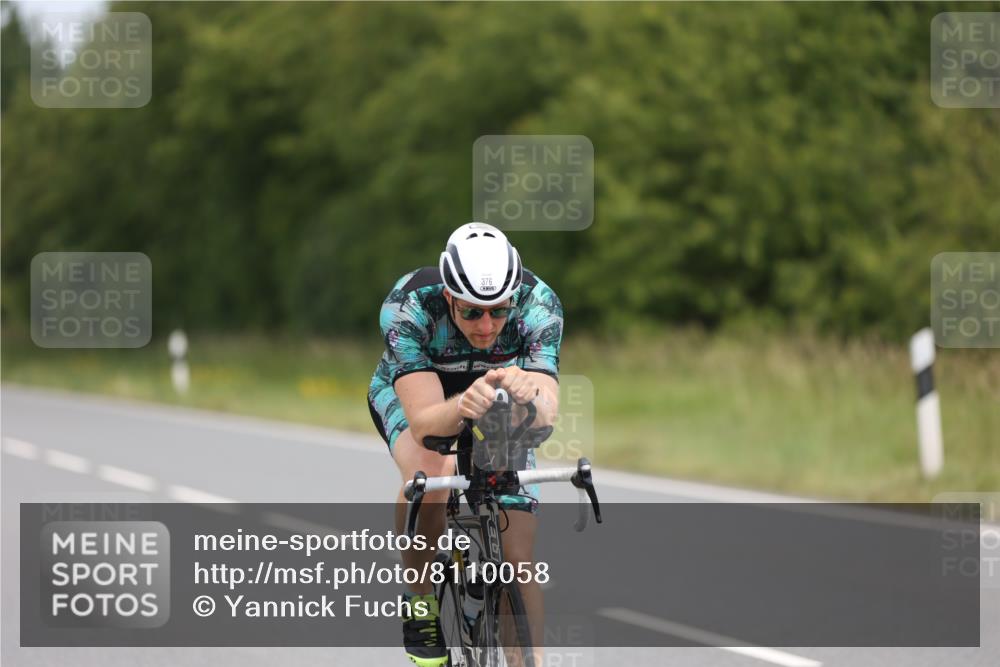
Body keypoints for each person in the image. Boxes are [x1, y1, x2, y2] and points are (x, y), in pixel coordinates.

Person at [368, 222, 563, 667]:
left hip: (498, 397)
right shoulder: (409, 306)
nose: (488, 325)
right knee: (432, 475)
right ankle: (419, 598)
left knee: (517, 557)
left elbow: (546, 411)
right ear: (450, 296)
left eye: (499, 311)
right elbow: (423, 424)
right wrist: (462, 406)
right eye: (472, 312)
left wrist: (529, 394)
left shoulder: (540, 304)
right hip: (424, 393)